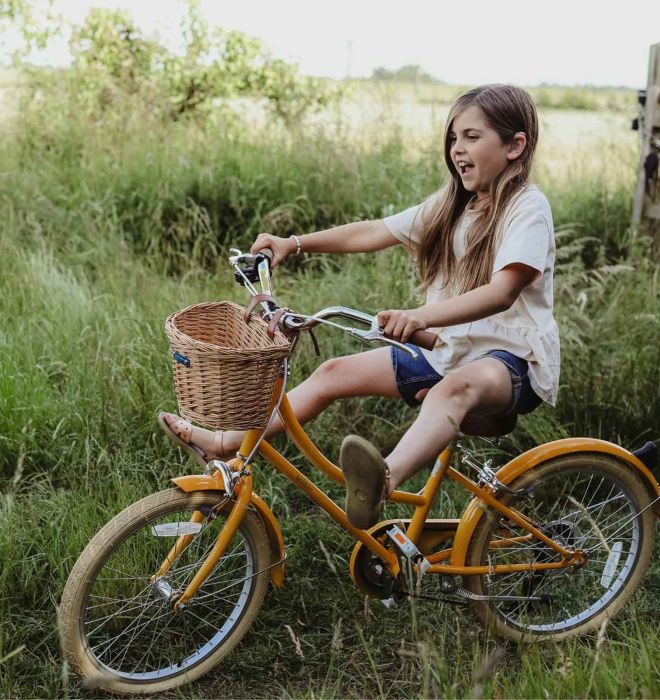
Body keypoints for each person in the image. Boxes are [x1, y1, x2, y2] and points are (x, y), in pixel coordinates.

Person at [159, 83, 559, 530]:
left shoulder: (527, 208)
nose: (457, 150)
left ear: (515, 145)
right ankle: (222, 442)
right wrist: (293, 243)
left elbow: (502, 291)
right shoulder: (454, 206)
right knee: (333, 373)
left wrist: (418, 316)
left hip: (510, 363)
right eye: (452, 138)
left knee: (453, 390)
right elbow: (373, 232)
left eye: (471, 137)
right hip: (449, 351)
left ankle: (383, 482)